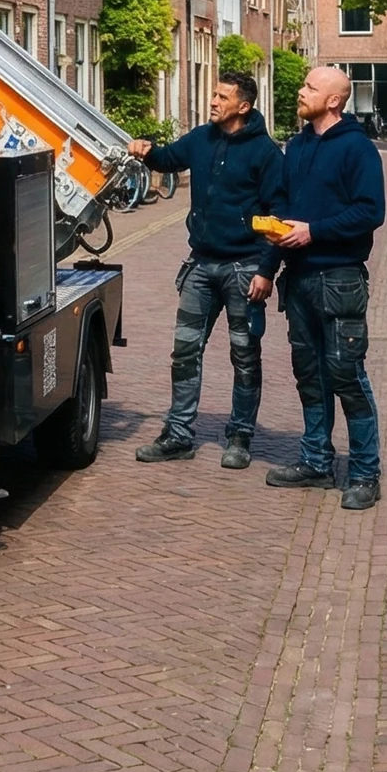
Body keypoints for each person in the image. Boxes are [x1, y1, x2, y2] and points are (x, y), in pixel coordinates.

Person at [127, 69, 284, 471]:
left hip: (244, 268)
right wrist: (147, 149)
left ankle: (240, 436)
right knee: (184, 351)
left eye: (221, 97)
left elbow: (277, 215)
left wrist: (266, 270)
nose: (213, 101)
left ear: (243, 106)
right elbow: (168, 159)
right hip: (200, 265)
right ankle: (178, 434)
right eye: (213, 95)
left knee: (245, 355)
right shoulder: (201, 138)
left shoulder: (265, 153)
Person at [257, 62, 387, 511]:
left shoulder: (358, 149)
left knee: (346, 375)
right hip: (299, 281)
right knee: (309, 377)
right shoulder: (296, 147)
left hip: (339, 279)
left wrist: (315, 231)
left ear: (333, 100)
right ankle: (316, 461)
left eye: (310, 87)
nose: (300, 90)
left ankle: (365, 473)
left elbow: (370, 212)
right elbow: (282, 206)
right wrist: (266, 266)